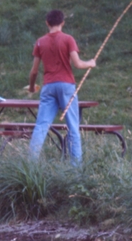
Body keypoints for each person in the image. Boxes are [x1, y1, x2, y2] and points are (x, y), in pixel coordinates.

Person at [28, 10, 96, 164]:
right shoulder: (68, 39)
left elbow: (34, 71)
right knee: (73, 127)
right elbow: (78, 64)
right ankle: (76, 168)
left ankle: (30, 165)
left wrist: (32, 87)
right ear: (63, 23)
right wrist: (90, 63)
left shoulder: (40, 42)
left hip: (48, 86)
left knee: (41, 126)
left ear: (47, 23)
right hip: (66, 86)